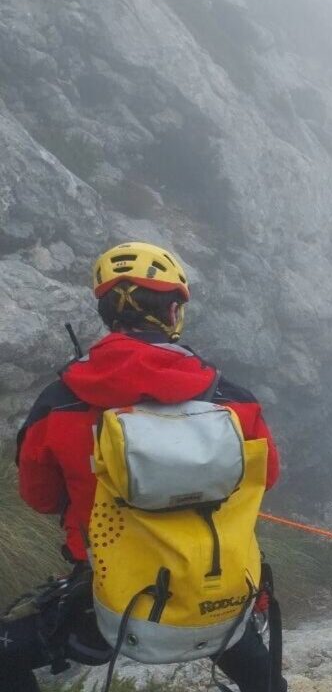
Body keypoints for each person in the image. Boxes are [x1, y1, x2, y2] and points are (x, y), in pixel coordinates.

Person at [1, 242, 286, 691]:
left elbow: (39, 498)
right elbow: (265, 478)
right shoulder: (233, 400)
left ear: (106, 315)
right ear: (174, 313)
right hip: (218, 595)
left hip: (110, 599)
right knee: (260, 674)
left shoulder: (57, 404)